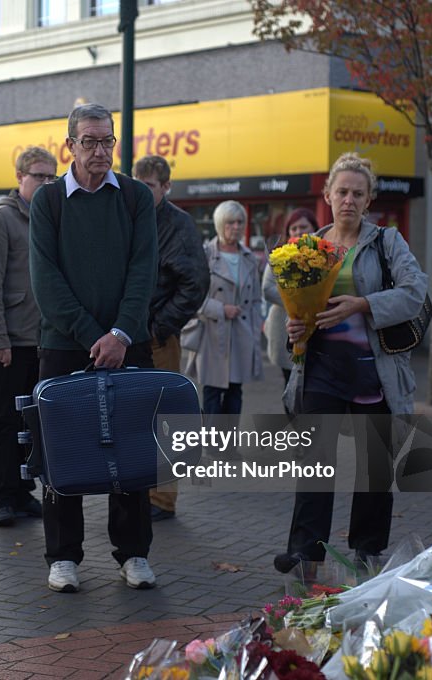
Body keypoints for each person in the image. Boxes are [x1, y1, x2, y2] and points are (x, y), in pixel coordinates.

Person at [274, 152, 428, 574]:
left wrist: (363, 304)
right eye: (341, 191)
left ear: (369, 198)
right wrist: (296, 328)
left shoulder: (386, 242)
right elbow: (299, 307)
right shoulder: (308, 248)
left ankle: (367, 549)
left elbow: (415, 292)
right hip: (321, 369)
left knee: (374, 469)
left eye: (358, 193)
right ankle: (305, 554)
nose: (348, 200)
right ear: (327, 194)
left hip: (374, 372)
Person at [29, 103, 158, 593]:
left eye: (108, 141)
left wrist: (121, 334)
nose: (100, 151)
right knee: (63, 450)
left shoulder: (135, 197)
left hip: (128, 343)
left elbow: (143, 271)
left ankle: (134, 554)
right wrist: (92, 337)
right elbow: (46, 282)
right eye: (90, 141)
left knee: (131, 446)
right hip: (65, 346)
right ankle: (63, 556)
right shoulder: (48, 201)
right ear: (70, 146)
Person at [0, 145, 56, 527]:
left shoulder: (50, 218)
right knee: (5, 420)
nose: (45, 182)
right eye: (38, 176)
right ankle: (3, 498)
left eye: (50, 176)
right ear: (19, 178)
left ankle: (23, 493)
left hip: (44, 340)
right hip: (10, 341)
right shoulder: (0, 220)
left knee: (34, 425)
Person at [132, 155, 209, 522]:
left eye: (150, 186)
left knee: (166, 419)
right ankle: (139, 492)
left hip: (159, 336)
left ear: (166, 187)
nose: (143, 192)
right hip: (129, 334)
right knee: (134, 418)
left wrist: (160, 326)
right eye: (139, 184)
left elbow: (195, 284)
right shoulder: (130, 216)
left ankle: (162, 500)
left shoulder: (179, 224)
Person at [184, 200, 264, 416]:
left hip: (241, 333)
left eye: (240, 222)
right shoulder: (204, 254)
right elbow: (191, 297)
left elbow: (256, 300)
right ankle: (212, 447)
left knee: (235, 392)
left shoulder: (249, 258)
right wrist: (220, 309)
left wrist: (257, 328)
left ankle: (228, 447)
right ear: (220, 225)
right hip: (212, 333)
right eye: (230, 222)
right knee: (212, 391)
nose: (236, 227)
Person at [262, 208, 318, 384]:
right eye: (293, 228)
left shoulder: (324, 255)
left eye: (303, 226)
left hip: (316, 328)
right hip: (283, 328)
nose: (298, 231)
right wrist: (299, 302)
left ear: (314, 228)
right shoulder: (279, 255)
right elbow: (267, 289)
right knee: (290, 382)